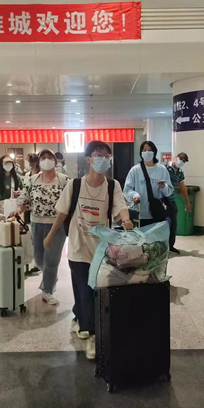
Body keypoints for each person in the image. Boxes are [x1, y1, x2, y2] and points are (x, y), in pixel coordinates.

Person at [44, 140, 133, 360]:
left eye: (106, 156)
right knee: (85, 289)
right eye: (98, 154)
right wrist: (50, 235)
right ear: (89, 159)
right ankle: (93, 335)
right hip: (77, 246)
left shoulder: (112, 185)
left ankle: (79, 319)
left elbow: (121, 206)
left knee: (92, 289)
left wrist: (126, 220)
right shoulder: (75, 185)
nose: (103, 159)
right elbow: (62, 213)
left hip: (100, 249)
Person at [15, 149, 68, 305]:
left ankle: (47, 290)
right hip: (37, 223)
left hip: (57, 225)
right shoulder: (32, 180)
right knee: (38, 258)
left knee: (52, 259)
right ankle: (51, 276)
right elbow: (24, 199)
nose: (46, 160)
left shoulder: (64, 180)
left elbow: (69, 201)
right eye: (43, 157)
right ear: (39, 161)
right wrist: (18, 210)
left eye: (49, 157)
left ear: (55, 161)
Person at [124, 141, 173, 227]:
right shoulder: (135, 170)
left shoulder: (162, 169)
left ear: (154, 152)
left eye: (150, 150)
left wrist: (163, 187)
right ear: (141, 153)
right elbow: (127, 190)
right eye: (144, 150)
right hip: (139, 214)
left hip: (157, 213)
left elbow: (169, 192)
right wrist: (134, 195)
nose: (147, 152)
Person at [165, 152, 191, 254]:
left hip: (171, 200)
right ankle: (161, 246)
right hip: (162, 199)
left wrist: (187, 203)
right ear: (176, 158)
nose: (181, 162)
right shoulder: (165, 167)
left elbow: (183, 188)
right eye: (181, 159)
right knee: (161, 223)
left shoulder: (180, 173)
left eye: (184, 161)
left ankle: (170, 246)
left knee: (173, 224)